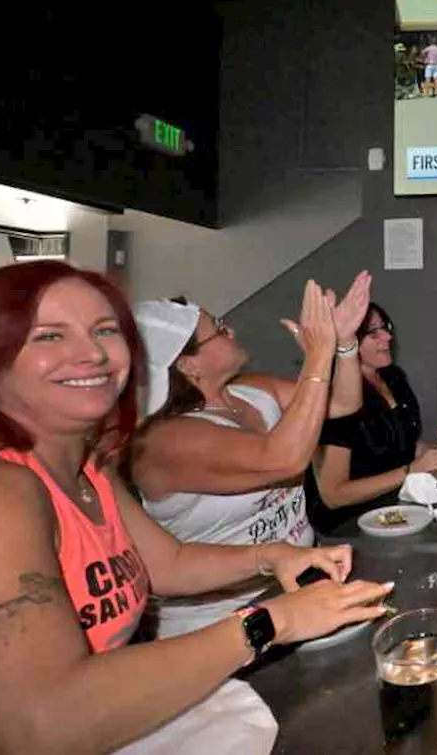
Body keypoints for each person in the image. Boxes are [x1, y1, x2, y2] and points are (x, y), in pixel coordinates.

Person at [0, 262, 391, 754]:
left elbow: (168, 564)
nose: (92, 352)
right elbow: (25, 731)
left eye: (104, 330)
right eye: (48, 337)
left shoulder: (86, 467)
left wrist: (272, 556)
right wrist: (273, 620)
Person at [130, 272, 373, 638]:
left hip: (298, 586)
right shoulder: (167, 439)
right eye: (219, 329)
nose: (231, 330)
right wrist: (318, 355)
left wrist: (344, 345)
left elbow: (342, 402)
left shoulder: (251, 390)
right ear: (187, 365)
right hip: (218, 620)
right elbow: (283, 459)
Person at [306, 303, 437, 533]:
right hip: (348, 527)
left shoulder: (393, 377)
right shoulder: (335, 400)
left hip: (394, 510)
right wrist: (411, 470)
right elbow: (333, 495)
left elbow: (392, 446)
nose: (387, 337)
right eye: (373, 332)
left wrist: (436, 450)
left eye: (386, 327)